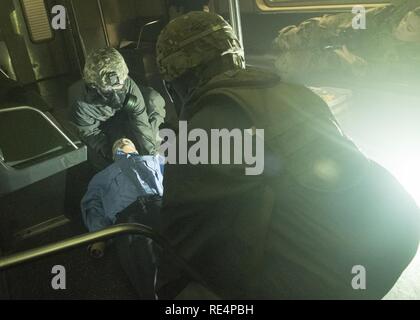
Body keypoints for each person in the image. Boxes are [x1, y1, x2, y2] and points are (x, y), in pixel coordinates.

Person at [154, 11, 420, 299]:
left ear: (175, 83)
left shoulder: (198, 135)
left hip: (330, 278)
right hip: (394, 238)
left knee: (183, 295)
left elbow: (179, 246)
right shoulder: (294, 91)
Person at [81, 138, 164, 299]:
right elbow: (92, 206)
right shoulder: (101, 177)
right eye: (116, 142)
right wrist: (99, 236)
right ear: (112, 155)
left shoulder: (154, 159)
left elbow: (176, 179)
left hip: (159, 205)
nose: (122, 140)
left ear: (136, 148)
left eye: (127, 139)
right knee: (144, 264)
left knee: (183, 249)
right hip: (127, 218)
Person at [272, 0, 420, 85]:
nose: (401, 26)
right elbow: (369, 14)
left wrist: (357, 63)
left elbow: (385, 77)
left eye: (409, 28)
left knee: (287, 65)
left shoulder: (413, 61)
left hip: (349, 60)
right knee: (289, 38)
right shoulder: (405, 7)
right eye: (404, 19)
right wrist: (350, 30)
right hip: (342, 30)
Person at [68, 48, 166, 170]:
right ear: (94, 86)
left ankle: (155, 152)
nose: (116, 97)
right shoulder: (79, 103)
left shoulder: (128, 83)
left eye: (120, 87)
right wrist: (113, 152)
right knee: (95, 156)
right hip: (101, 125)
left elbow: (140, 120)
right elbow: (90, 134)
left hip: (125, 114)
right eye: (108, 91)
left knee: (154, 101)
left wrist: (150, 157)